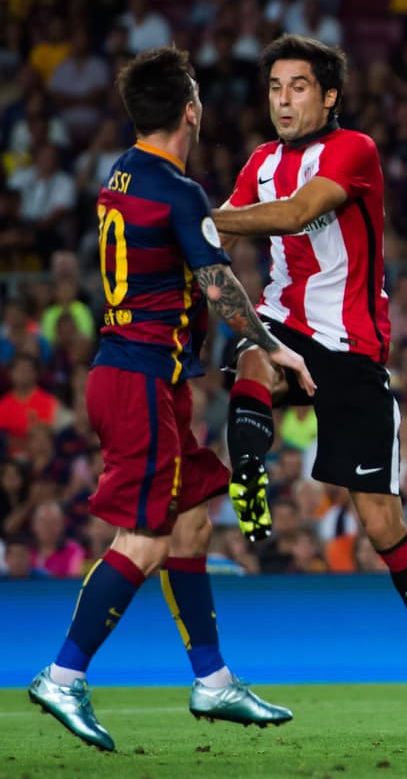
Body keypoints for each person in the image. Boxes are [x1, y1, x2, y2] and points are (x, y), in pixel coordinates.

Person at [28, 46, 316, 752]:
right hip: (140, 378)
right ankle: (63, 674)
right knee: (148, 537)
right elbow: (217, 286)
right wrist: (270, 346)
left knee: (189, 521)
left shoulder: (120, 176)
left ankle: (212, 680)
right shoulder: (178, 190)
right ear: (190, 108)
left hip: (134, 372)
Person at [212, 34, 407, 758]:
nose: (284, 100)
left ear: (328, 96)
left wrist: (201, 220)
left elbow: (297, 214)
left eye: (298, 87)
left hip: (353, 347)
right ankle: (248, 475)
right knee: (250, 353)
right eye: (274, 88)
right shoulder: (257, 163)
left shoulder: (353, 150)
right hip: (282, 324)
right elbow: (218, 260)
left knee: (383, 527)